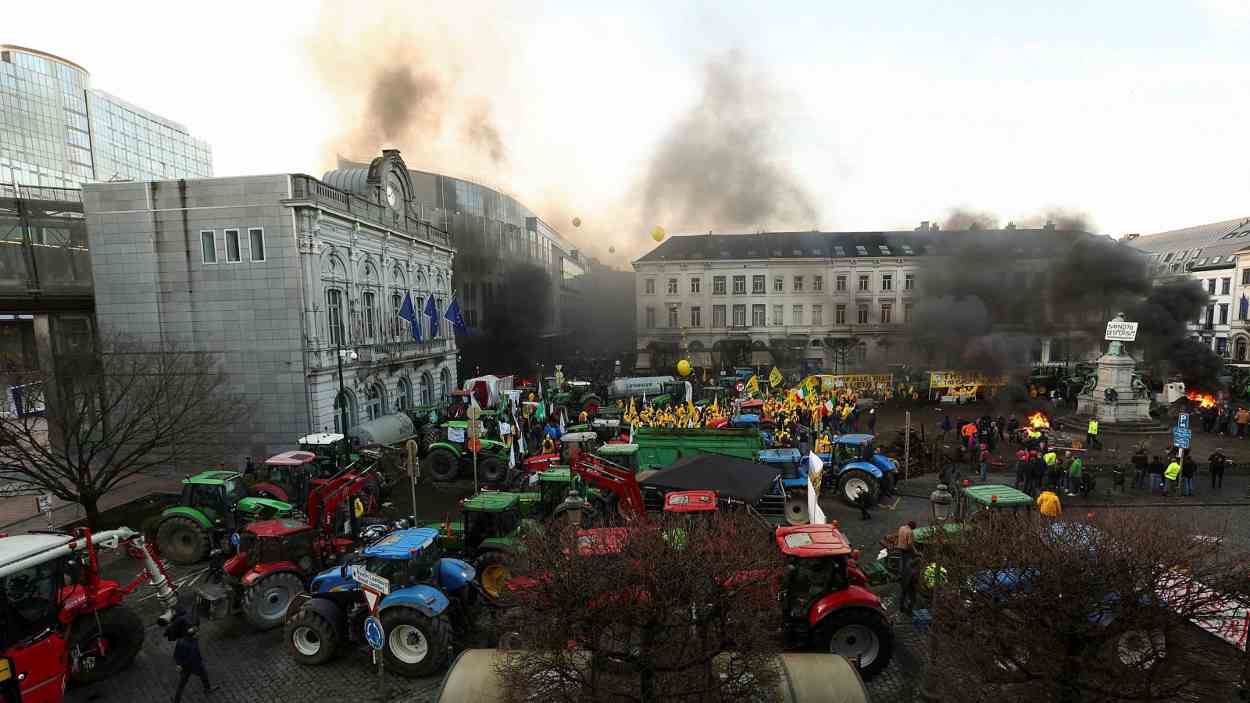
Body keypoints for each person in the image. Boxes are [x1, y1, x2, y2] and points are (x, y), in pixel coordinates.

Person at [167, 611, 212, 703]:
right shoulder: (187, 643)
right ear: (194, 634)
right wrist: (179, 664)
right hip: (190, 666)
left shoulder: (184, 641)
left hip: (190, 666)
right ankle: (176, 700)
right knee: (184, 683)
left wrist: (179, 664)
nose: (198, 634)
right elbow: (177, 654)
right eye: (197, 633)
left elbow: (176, 655)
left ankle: (207, 689)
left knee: (200, 677)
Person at [896, 521, 917, 613]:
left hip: (900, 549)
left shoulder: (901, 527)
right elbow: (910, 544)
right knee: (911, 594)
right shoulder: (910, 532)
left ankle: (901, 606)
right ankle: (909, 609)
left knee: (903, 593)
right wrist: (916, 552)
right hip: (906, 551)